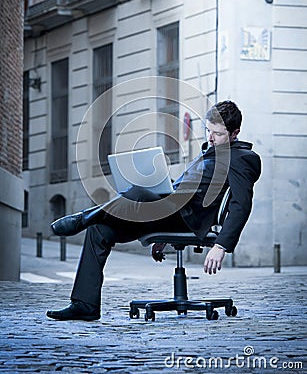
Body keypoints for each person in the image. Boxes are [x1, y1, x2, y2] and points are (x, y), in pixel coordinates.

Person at [46, 100, 261, 321]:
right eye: (208, 130)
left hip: (183, 218)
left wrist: (220, 245)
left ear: (235, 133)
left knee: (139, 192)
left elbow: (241, 204)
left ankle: (82, 218)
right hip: (168, 213)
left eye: (217, 133)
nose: (210, 137)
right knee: (99, 230)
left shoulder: (243, 159)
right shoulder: (210, 151)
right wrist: (163, 232)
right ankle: (85, 305)